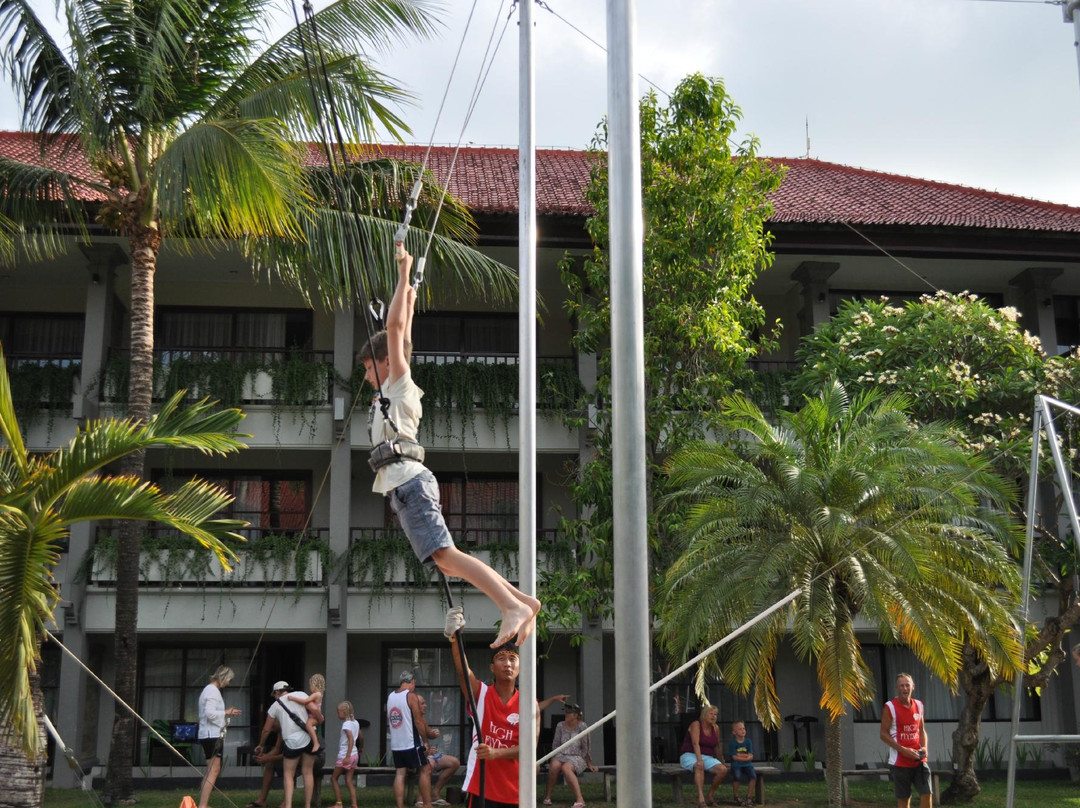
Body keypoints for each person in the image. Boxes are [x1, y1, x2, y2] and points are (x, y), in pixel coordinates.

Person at [357, 246, 540, 648]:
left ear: (386, 362)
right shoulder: (389, 388)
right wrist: (410, 292)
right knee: (448, 560)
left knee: (446, 557)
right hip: (404, 488)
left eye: (370, 366)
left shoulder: (399, 384)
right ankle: (521, 600)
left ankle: (511, 606)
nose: (367, 375)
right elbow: (402, 332)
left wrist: (404, 272)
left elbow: (395, 330)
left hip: (410, 483)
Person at [445, 608, 541, 808]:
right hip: (482, 787)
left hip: (517, 790)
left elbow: (529, 749)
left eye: (513, 659)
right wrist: (455, 638)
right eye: (501, 658)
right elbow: (464, 672)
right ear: (492, 667)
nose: (508, 663)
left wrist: (496, 753)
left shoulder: (530, 704)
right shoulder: (482, 694)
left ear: (519, 667)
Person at [880, 673, 931, 808]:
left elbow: (921, 730)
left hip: (919, 760)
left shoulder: (919, 705)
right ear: (897, 688)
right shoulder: (890, 707)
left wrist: (924, 747)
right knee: (904, 798)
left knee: (927, 793)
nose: (905, 688)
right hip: (900, 762)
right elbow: (883, 734)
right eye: (902, 686)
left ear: (913, 687)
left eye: (907, 685)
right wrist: (903, 750)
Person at [265, 680, 319, 808]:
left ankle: (288, 805)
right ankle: (307, 805)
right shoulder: (301, 694)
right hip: (309, 737)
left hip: (291, 741)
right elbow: (314, 709)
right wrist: (319, 719)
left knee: (289, 774)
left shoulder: (275, 705)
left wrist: (261, 744)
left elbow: (267, 729)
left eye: (274, 694)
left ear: (277, 692)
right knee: (308, 772)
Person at [197, 665, 243, 808]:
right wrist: (226, 712)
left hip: (208, 734)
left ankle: (202, 803)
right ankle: (203, 805)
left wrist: (227, 712)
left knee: (211, 770)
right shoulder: (212, 691)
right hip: (212, 735)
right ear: (223, 678)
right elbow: (210, 714)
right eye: (229, 680)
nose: (229, 683)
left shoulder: (209, 690)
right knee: (214, 770)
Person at [388, 669, 433, 808]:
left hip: (396, 744)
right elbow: (418, 721)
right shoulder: (410, 696)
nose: (414, 686)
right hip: (411, 743)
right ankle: (427, 804)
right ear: (411, 682)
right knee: (426, 770)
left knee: (400, 773)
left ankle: (400, 806)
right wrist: (425, 741)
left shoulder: (391, 696)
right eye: (415, 683)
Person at [541, 702, 597, 808]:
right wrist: (554, 757)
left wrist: (589, 762)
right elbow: (556, 744)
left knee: (566, 768)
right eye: (566, 712)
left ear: (576, 715)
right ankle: (548, 797)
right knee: (554, 766)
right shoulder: (560, 725)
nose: (566, 714)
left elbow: (586, 746)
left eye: (569, 713)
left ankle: (580, 800)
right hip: (562, 754)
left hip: (577, 756)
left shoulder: (582, 726)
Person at [678, 705, 728, 808]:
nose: (713, 716)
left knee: (722, 770)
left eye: (715, 714)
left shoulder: (716, 728)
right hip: (690, 755)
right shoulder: (696, 725)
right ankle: (701, 800)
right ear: (704, 714)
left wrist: (722, 760)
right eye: (711, 714)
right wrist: (700, 760)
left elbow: (717, 746)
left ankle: (710, 796)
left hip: (707, 757)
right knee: (699, 766)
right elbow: (695, 743)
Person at [417, 694, 456, 806]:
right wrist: (426, 752)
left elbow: (428, 734)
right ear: (415, 706)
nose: (426, 705)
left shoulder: (422, 720)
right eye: (422, 703)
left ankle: (435, 793)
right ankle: (421, 799)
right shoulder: (410, 721)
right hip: (418, 756)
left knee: (454, 762)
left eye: (425, 702)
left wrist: (433, 733)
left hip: (429, 754)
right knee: (429, 763)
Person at [247, 712, 283, 808]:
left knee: (289, 767)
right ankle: (262, 800)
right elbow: (276, 749)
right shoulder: (280, 732)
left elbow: (289, 755)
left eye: (272, 726)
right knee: (269, 764)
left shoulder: (289, 730)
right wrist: (264, 757)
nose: (271, 729)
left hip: (307, 758)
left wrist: (268, 758)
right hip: (290, 758)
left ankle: (286, 802)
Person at [331, 700, 362, 808]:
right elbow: (361, 737)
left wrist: (347, 756)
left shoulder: (346, 724)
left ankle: (339, 803)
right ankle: (354, 804)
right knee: (349, 780)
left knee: (334, 778)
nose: (337, 714)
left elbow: (351, 740)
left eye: (338, 712)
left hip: (346, 755)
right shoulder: (355, 723)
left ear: (344, 713)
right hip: (355, 755)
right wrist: (361, 748)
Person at [288, 673, 326, 754]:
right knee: (309, 727)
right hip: (312, 716)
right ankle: (314, 742)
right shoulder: (318, 694)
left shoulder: (316, 694)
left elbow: (305, 701)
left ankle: (316, 743)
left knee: (308, 725)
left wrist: (292, 698)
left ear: (314, 684)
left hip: (314, 717)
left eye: (310, 685)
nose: (310, 688)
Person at [727, 720, 756, 807]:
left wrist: (741, 756)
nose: (743, 730)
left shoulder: (748, 742)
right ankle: (736, 796)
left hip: (748, 765)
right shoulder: (732, 743)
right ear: (734, 732)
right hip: (736, 765)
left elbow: (751, 756)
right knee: (737, 777)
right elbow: (734, 757)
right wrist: (745, 757)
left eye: (743, 728)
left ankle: (749, 797)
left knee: (753, 777)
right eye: (740, 729)